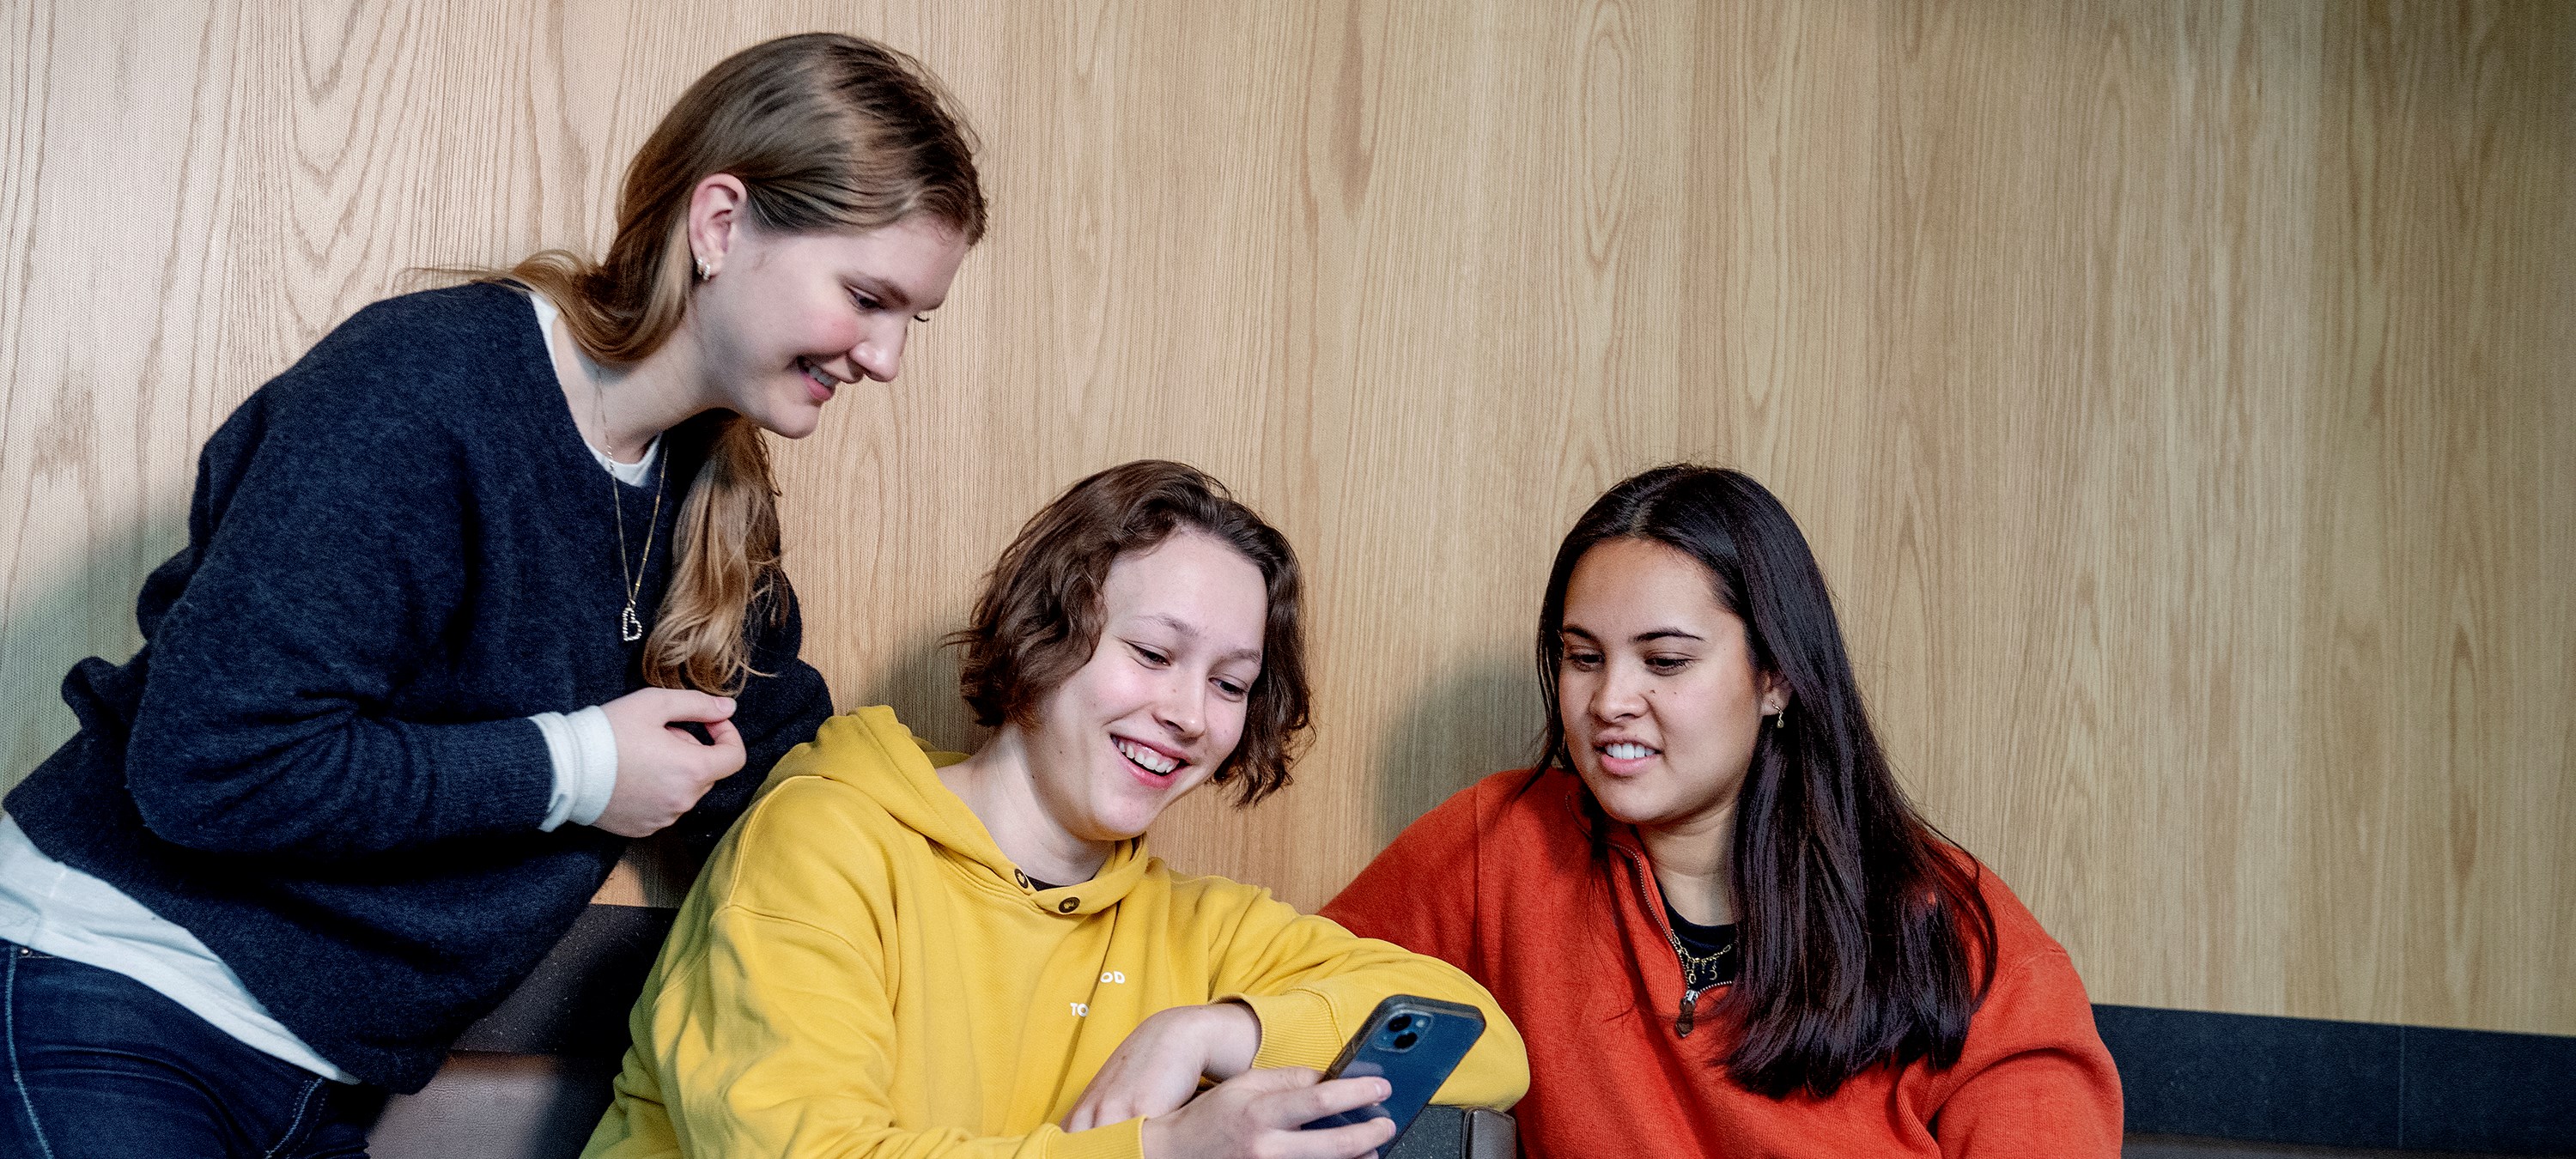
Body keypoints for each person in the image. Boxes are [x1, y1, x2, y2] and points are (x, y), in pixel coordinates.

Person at [0, 32, 985, 1158]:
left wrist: (1030, 824)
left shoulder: (711, 503)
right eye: (869, 296)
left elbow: (790, 779)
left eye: (916, 317)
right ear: (721, 225)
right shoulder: (426, 389)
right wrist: (580, 767)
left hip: (316, 1083)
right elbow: (209, 764)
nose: (888, 358)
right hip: (107, 986)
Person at [582, 460, 1529, 1159]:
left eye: (1231, 684)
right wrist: (1164, 1150)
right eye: (1154, 655)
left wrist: (1213, 1029)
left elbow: (1484, 1042)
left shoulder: (1202, 931)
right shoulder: (824, 837)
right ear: (1043, 635)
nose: (1189, 715)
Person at [1322, 464, 2123, 1156]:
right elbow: (1304, 997)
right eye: (1583, 658)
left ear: (1775, 676)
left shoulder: (1955, 931)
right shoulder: (1499, 842)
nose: (1610, 701)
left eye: (1665, 661)